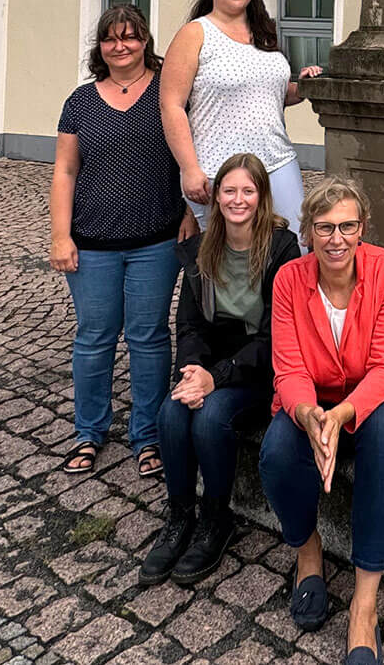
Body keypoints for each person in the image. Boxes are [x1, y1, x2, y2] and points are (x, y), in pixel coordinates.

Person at [259, 177, 384, 665]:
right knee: (276, 453)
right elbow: (288, 368)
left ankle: (365, 603)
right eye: (325, 227)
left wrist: (340, 416)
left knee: (381, 437)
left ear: (363, 228)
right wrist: (310, 415)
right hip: (314, 397)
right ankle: (308, 554)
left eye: (347, 226)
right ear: (308, 232)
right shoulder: (290, 279)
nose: (337, 238)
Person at [139, 153, 300, 587]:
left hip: (256, 370)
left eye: (248, 191)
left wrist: (219, 375)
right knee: (171, 412)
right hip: (209, 364)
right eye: (229, 190)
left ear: (262, 197)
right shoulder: (199, 249)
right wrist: (192, 369)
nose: (238, 199)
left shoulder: (282, 249)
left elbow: (276, 338)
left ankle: (216, 519)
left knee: (210, 417)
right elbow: (189, 324)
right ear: (215, 197)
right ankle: (179, 518)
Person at [48, 4, 184, 478]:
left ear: (145, 41)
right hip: (92, 242)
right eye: (110, 39)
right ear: (99, 47)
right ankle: (89, 432)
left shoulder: (169, 95)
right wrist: (60, 236)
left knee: (148, 338)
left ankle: (148, 435)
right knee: (94, 337)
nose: (120, 46)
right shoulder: (81, 101)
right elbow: (65, 171)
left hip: (156, 240)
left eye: (129, 37)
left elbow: (191, 155)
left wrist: (190, 212)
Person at [160, 0, 321, 237]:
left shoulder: (264, 32)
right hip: (217, 168)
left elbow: (272, 95)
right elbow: (171, 105)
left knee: (295, 247)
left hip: (276, 160)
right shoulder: (195, 34)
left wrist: (305, 87)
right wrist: (189, 169)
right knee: (230, 262)